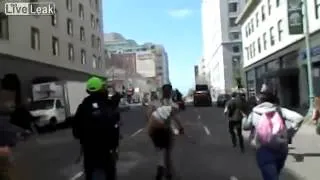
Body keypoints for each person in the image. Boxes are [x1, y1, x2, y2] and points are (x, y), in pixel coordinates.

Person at [242, 84, 304, 180]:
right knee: (276, 173)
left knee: (270, 176)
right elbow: (299, 118)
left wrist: (245, 118)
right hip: (281, 148)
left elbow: (246, 127)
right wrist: (288, 134)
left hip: (263, 149)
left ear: (260, 100)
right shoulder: (280, 110)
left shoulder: (254, 112)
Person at [72, 77, 120, 180]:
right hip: (107, 150)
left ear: (88, 90)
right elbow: (115, 124)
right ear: (102, 89)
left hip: (90, 152)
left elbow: (76, 132)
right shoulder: (107, 105)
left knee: (91, 174)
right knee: (109, 174)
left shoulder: (83, 107)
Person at [146, 84, 184, 180]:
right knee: (167, 153)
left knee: (160, 151)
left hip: (155, 131)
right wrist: (180, 128)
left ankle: (162, 168)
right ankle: (168, 173)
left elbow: (148, 115)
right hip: (166, 131)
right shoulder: (171, 104)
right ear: (170, 92)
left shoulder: (155, 103)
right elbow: (175, 117)